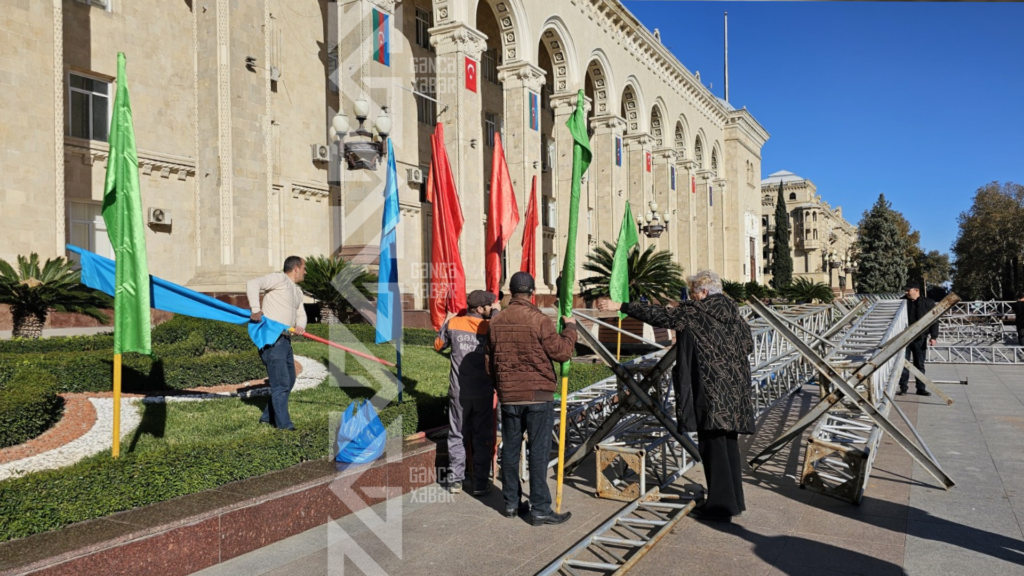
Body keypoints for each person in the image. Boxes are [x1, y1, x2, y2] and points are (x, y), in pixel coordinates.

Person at [596, 269, 755, 522]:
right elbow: (748, 345)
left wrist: (620, 305)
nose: (691, 298)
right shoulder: (734, 313)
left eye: (693, 293)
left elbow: (659, 315)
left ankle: (720, 508)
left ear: (703, 292)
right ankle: (734, 501)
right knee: (728, 445)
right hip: (735, 393)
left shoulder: (696, 312)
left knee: (713, 448)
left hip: (710, 391)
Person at [486, 271, 577, 525]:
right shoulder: (539, 320)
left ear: (510, 292)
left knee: (511, 449)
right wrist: (570, 328)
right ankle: (539, 509)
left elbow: (488, 362)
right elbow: (562, 353)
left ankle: (511, 504)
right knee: (538, 452)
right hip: (537, 396)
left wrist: (502, 387)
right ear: (532, 293)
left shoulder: (495, 321)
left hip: (509, 397)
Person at [434, 290, 499, 496]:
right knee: (482, 437)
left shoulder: (454, 325)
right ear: (480, 309)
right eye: (490, 305)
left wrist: (447, 320)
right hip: (483, 394)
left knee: (457, 435)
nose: (492, 307)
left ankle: (455, 482)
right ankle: (480, 483)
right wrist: (497, 313)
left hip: (458, 393)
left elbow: (438, 346)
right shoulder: (490, 327)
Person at [246, 256, 308, 430]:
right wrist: (256, 309)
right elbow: (252, 283)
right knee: (281, 384)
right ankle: (284, 426)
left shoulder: (297, 291)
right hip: (272, 339)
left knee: (289, 381)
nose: (305, 272)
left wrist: (301, 326)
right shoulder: (279, 279)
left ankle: (267, 417)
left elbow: (301, 313)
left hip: (285, 340)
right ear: (296, 268)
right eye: (304, 268)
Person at [897, 283, 938, 396]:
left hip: (920, 338)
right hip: (904, 338)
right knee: (903, 364)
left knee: (919, 364)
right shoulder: (902, 302)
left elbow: (934, 320)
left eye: (908, 290)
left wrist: (933, 336)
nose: (906, 292)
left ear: (916, 290)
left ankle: (921, 388)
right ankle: (903, 388)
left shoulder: (928, 302)